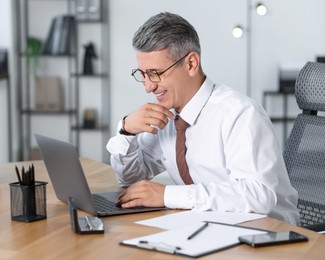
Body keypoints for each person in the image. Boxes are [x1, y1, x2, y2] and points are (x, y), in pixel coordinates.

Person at [106, 12, 299, 225]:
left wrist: (167, 195)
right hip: (210, 226)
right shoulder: (168, 117)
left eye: (155, 73)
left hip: (267, 235)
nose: (148, 86)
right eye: (143, 74)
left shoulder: (240, 113)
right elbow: (131, 181)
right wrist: (126, 131)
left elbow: (258, 196)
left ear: (190, 63)